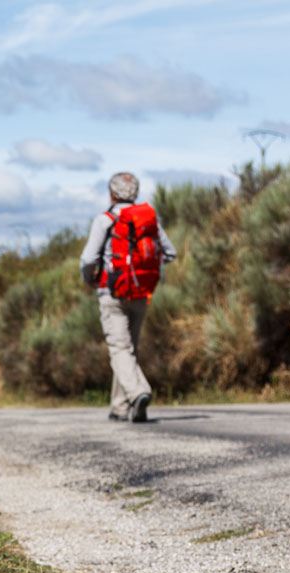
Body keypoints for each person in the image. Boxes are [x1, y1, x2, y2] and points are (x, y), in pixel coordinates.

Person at [80, 172, 177, 423]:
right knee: (128, 349)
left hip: (112, 293)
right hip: (142, 292)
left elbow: (88, 259)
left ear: (111, 193)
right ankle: (119, 406)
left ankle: (138, 392)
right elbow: (170, 252)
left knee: (119, 348)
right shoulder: (148, 219)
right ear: (135, 192)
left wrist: (90, 278)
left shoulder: (106, 220)